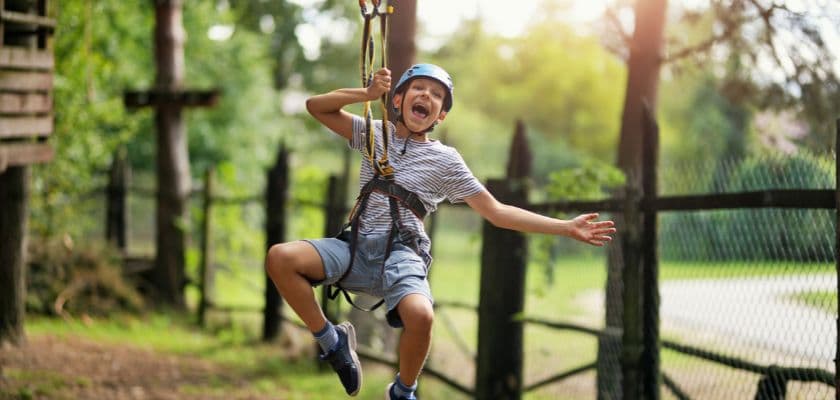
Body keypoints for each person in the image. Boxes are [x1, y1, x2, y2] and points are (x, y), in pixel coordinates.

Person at [265, 63, 616, 400]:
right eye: (418, 88)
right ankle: (332, 342)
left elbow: (496, 211)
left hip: (401, 254)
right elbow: (316, 107)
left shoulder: (446, 161)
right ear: (398, 100)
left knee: (421, 315)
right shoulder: (373, 133)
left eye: (436, 95)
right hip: (355, 247)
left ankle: (403, 390)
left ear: (441, 115)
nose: (426, 96)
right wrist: (367, 92)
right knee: (281, 258)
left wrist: (565, 228)